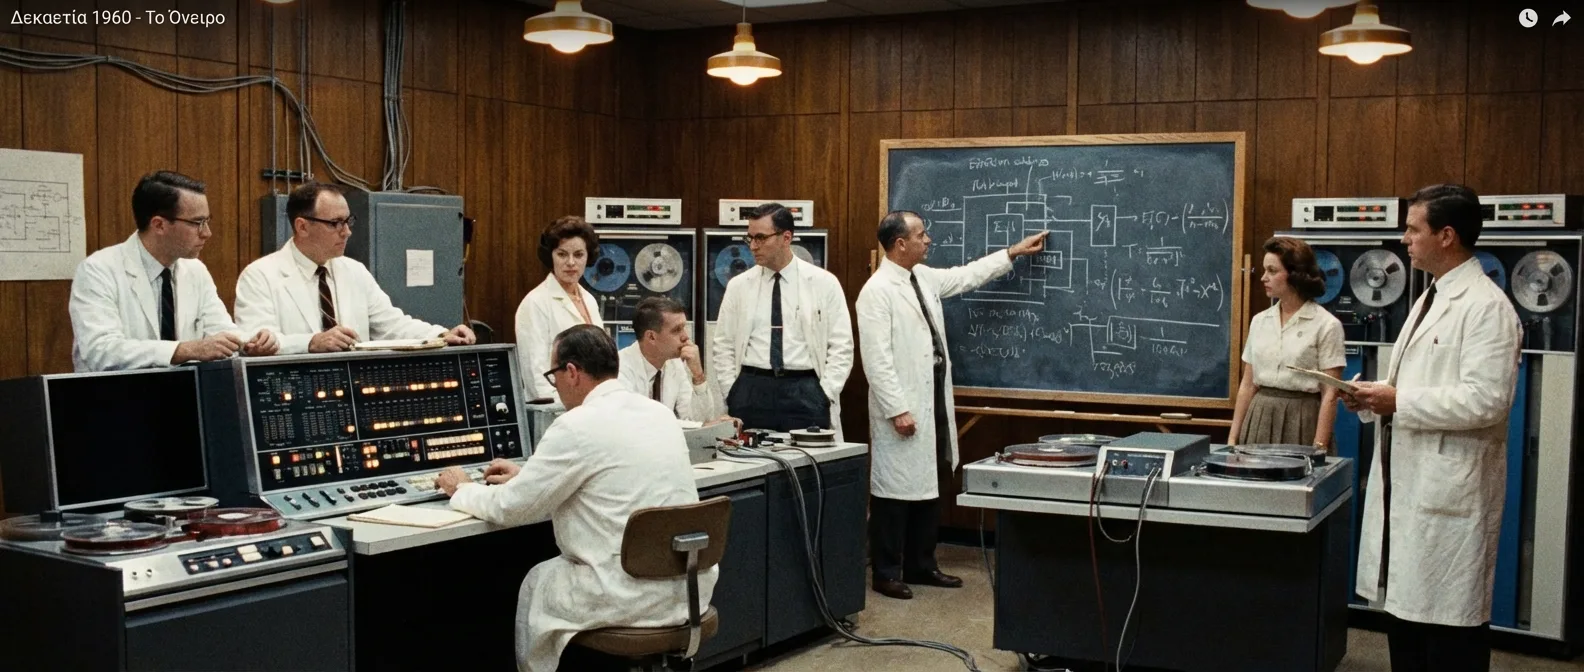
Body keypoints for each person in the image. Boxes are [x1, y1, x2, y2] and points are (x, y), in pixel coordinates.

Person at [436, 325, 716, 672]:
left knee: (537, 580)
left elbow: (509, 508)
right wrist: (530, 478)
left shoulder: (577, 424)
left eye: (554, 376)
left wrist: (462, 488)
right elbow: (609, 481)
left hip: (624, 597)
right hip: (687, 590)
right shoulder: (658, 413)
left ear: (571, 372)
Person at [1345, 184, 1521, 672]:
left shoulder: (1486, 307)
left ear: (1447, 236)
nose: (1403, 240)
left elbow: (1488, 399)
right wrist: (1370, 397)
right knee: (1409, 629)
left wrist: (1398, 400)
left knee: (1448, 638)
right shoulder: (1429, 298)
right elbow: (1416, 384)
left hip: (1450, 495)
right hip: (1415, 486)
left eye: (1412, 229)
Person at [856, 210, 1049, 600]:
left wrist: (1012, 252)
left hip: (932, 396)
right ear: (900, 244)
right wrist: (897, 409)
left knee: (931, 482)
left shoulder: (923, 278)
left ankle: (922, 564)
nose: (928, 240)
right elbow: (876, 360)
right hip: (904, 403)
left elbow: (966, 275)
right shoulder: (876, 292)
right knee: (894, 493)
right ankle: (887, 571)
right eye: (922, 235)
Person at [70, 171, 277, 372]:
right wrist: (183, 349)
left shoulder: (195, 270)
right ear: (159, 225)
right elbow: (101, 351)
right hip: (116, 399)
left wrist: (249, 343)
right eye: (197, 223)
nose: (207, 233)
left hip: (184, 395)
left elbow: (221, 330)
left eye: (207, 221)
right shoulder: (98, 270)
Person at [234, 182, 475, 353]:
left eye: (348, 221)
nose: (347, 232)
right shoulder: (260, 276)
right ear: (302, 226)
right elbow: (255, 342)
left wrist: (440, 334)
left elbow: (392, 324)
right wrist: (311, 342)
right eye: (335, 223)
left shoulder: (354, 271)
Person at [712, 202, 853, 436]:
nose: (753, 246)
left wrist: (825, 394)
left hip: (805, 390)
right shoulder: (739, 286)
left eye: (761, 238)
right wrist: (732, 390)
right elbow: (723, 344)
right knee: (751, 465)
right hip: (751, 387)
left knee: (806, 466)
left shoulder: (823, 283)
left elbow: (842, 346)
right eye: (750, 238)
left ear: (786, 237)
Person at [1227, 236, 1348, 448]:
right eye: (1265, 270)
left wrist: (1319, 446)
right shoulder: (1260, 321)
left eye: (1272, 271)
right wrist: (1232, 438)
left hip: (1302, 419)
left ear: (1295, 275)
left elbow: (1329, 393)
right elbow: (1247, 385)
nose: (1264, 278)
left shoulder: (1327, 325)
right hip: (1259, 418)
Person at [516, 215, 603, 401]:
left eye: (578, 255)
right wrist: (563, 411)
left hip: (592, 405)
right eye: (562, 254)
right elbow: (535, 375)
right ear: (550, 256)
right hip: (557, 410)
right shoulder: (535, 303)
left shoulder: (589, 300)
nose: (571, 262)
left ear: (589, 257)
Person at [617, 297, 726, 423]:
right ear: (651, 337)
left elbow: (700, 421)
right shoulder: (620, 370)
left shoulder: (674, 363)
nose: (685, 336)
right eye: (677, 330)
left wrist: (698, 376)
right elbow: (636, 424)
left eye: (684, 328)